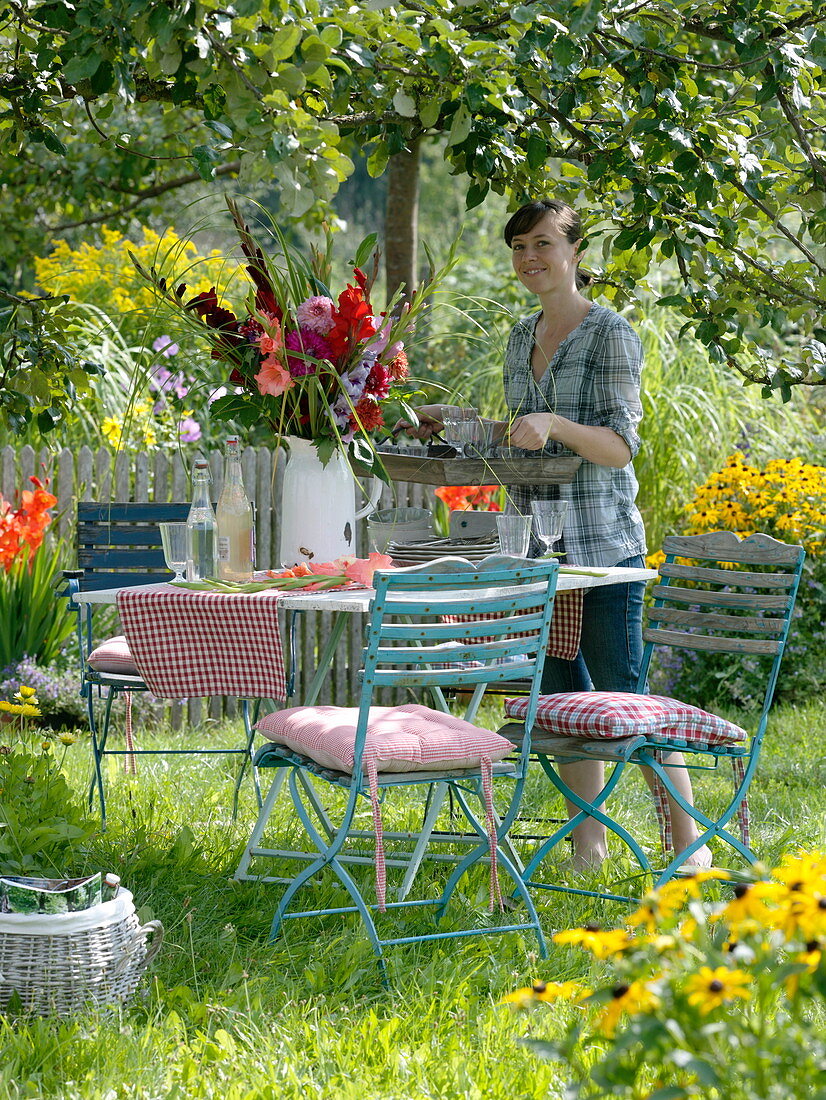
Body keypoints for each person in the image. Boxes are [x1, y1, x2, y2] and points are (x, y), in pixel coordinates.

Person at [400, 198, 711, 871]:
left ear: (574, 252)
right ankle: (588, 848)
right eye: (517, 247)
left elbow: (621, 447)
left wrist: (557, 424)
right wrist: (459, 422)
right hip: (540, 550)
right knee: (565, 706)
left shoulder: (610, 335)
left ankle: (689, 846)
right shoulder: (520, 336)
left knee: (627, 695)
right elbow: (523, 436)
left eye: (542, 243)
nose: (529, 258)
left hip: (602, 551)